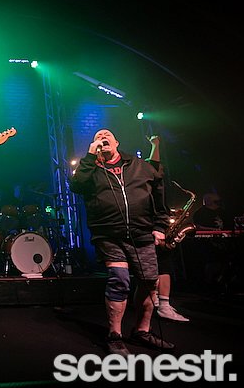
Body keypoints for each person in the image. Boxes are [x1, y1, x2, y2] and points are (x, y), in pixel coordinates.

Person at [69, 128, 174, 356]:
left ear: (116, 142)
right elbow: (76, 185)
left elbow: (159, 193)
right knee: (119, 279)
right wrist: (90, 157)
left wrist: (160, 226)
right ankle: (114, 335)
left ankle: (142, 331)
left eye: (106, 135)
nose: (102, 137)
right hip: (108, 234)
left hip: (141, 233)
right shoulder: (90, 169)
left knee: (149, 283)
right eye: (98, 137)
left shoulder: (139, 165)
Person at [146, 135, 190, 322]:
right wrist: (155, 145)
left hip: (161, 227)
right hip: (150, 228)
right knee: (157, 266)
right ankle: (159, 303)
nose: (161, 171)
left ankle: (162, 302)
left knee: (164, 265)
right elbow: (153, 165)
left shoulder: (161, 187)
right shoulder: (146, 183)